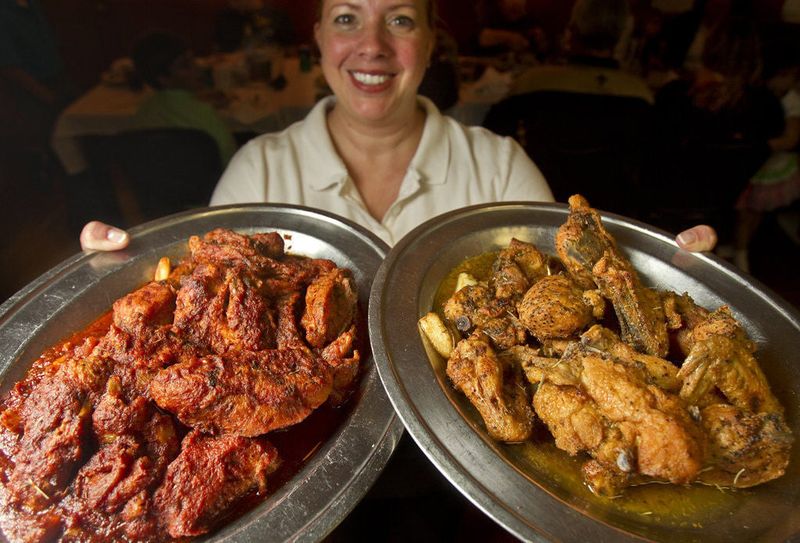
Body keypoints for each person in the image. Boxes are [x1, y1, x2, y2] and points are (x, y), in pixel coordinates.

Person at [80, 0, 717, 253]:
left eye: (402, 20)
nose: (373, 46)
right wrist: (124, 279)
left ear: (433, 42)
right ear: (320, 39)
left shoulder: (498, 167)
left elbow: (565, 297)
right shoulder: (259, 169)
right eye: (349, 18)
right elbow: (206, 310)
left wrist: (665, 281)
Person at [734, 44, 800, 272]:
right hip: (755, 165)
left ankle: (742, 254)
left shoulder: (791, 101)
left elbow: (791, 138)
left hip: (771, 167)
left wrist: (753, 145)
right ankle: (738, 249)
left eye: (790, 77)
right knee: (745, 212)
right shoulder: (759, 93)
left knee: (753, 213)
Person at [130, 31, 237, 167]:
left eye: (193, 60)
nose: (197, 67)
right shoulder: (203, 113)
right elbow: (231, 159)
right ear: (163, 79)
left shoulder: (143, 113)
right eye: (185, 65)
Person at [215, 0, 296, 53]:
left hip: (271, 67)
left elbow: (291, 50)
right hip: (234, 71)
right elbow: (218, 51)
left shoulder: (277, 16)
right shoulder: (225, 18)